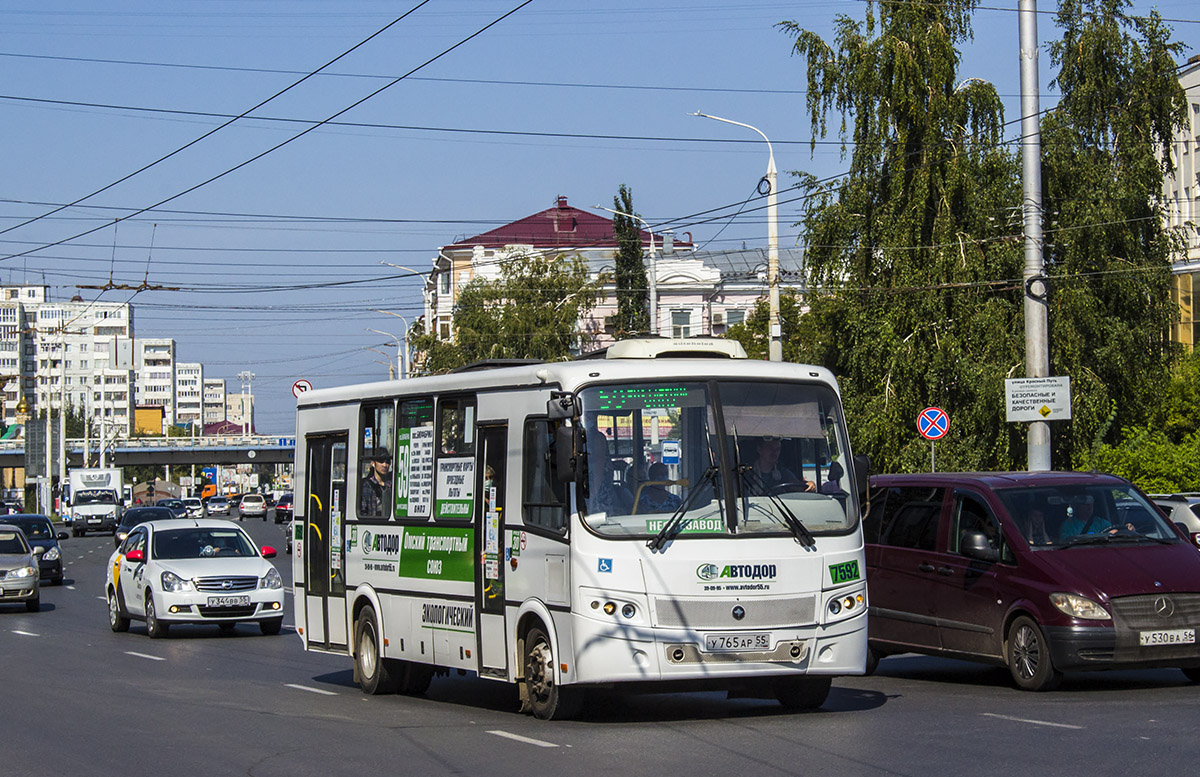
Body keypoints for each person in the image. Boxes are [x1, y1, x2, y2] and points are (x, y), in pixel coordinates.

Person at [747, 436, 815, 494]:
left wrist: (809, 484)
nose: (774, 452)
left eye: (777, 449)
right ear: (759, 449)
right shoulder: (746, 474)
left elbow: (797, 486)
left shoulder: (784, 474)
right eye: (770, 448)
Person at [360, 448, 393, 517]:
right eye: (381, 461)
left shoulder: (392, 484)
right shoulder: (366, 485)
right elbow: (363, 511)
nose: (384, 465)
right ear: (373, 463)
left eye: (387, 462)